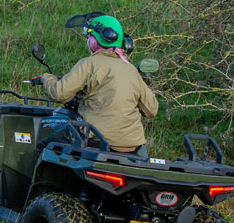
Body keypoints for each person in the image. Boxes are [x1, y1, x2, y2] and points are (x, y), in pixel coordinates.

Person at [32, 15, 158, 153]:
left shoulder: (89, 64)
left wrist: (46, 78)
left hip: (97, 141)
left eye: (89, 37)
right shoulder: (131, 70)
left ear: (94, 41)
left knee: (43, 148)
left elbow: (58, 93)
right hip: (132, 147)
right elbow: (151, 109)